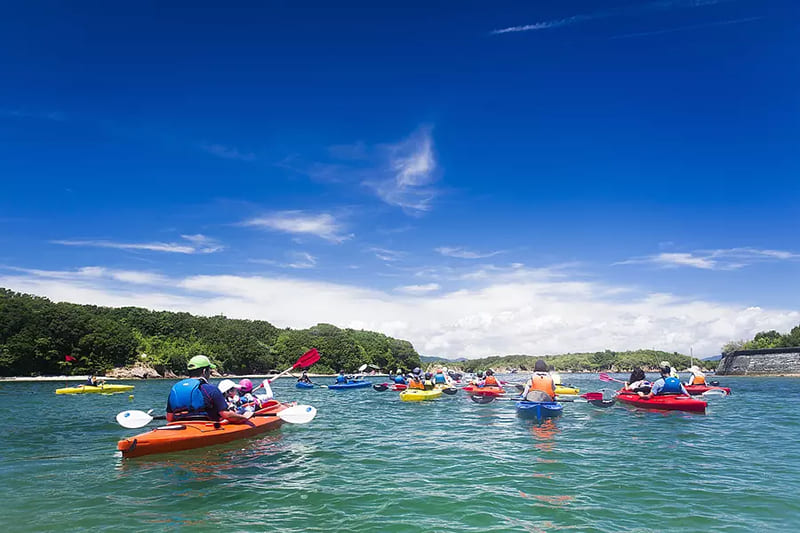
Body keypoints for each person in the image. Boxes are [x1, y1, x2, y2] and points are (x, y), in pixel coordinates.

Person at [166, 355, 251, 423]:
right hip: (206, 426)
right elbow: (226, 415)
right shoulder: (211, 389)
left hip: (180, 426)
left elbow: (169, 418)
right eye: (209, 370)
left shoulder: (175, 388)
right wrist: (244, 417)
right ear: (204, 371)